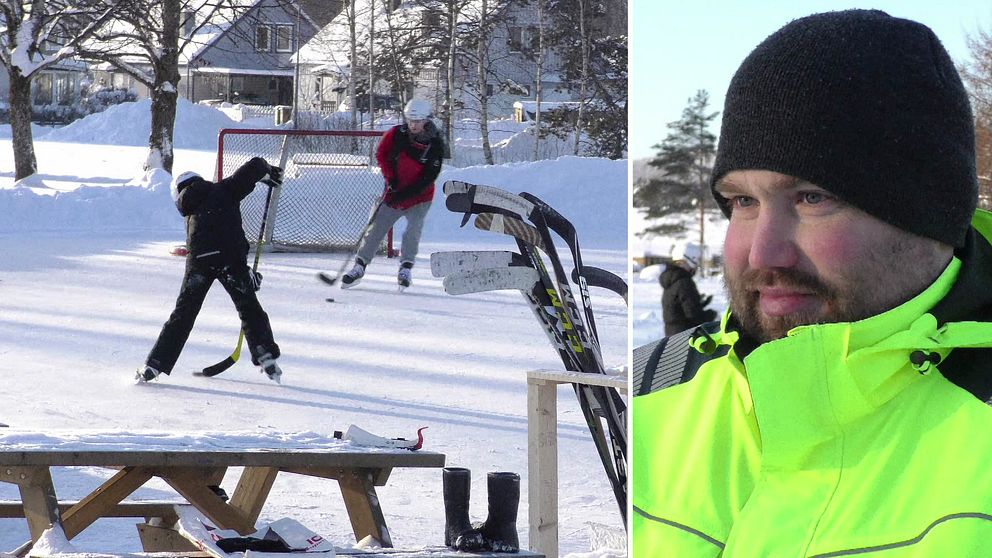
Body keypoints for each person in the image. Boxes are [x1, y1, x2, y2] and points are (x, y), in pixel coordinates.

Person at [633, 10, 992, 555]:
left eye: (812, 197)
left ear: (930, 215)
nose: (761, 251)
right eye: (742, 202)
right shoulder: (647, 393)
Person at [136, 157, 285, 383]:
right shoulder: (225, 189)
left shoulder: (190, 209)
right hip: (231, 260)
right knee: (249, 307)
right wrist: (268, 172)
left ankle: (154, 365)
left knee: (183, 315)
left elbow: (209, 235)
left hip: (200, 262)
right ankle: (265, 355)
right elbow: (254, 164)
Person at [341, 98, 445, 289]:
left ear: (426, 120)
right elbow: (382, 154)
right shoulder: (396, 134)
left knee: (413, 229)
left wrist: (403, 194)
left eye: (418, 121)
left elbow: (428, 178)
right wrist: (391, 178)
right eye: (410, 120)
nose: (413, 125)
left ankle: (406, 268)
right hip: (395, 191)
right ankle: (359, 266)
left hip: (420, 197)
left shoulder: (435, 144)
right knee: (376, 227)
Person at [659, 242, 716, 336]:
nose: (696, 266)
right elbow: (694, 316)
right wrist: (711, 315)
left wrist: (699, 302)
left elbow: (679, 305)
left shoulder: (672, 278)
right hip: (685, 337)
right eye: (696, 261)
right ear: (689, 258)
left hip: (672, 335)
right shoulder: (683, 282)